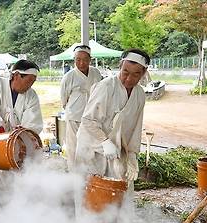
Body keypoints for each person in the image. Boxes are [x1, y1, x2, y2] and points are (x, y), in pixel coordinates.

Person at [75, 48, 148, 193]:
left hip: (116, 150)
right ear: (120, 66)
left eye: (135, 75)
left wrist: (132, 154)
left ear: (144, 73)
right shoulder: (106, 87)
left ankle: (120, 216)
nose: (128, 79)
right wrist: (104, 142)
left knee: (119, 192)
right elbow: (88, 120)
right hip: (92, 149)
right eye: (125, 72)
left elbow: (136, 127)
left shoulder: (139, 94)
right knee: (91, 194)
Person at [0, 60, 43, 213]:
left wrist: (25, 130)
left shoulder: (31, 95)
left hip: (18, 146)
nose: (30, 86)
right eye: (29, 81)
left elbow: (33, 121)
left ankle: (18, 220)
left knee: (18, 185)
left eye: (33, 82)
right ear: (16, 76)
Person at [60, 45, 103, 170]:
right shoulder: (69, 77)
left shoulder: (96, 72)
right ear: (74, 60)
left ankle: (90, 174)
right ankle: (75, 174)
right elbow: (64, 99)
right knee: (74, 146)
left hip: (93, 116)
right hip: (75, 116)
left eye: (85, 59)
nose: (81, 63)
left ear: (90, 60)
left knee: (90, 146)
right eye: (78, 59)